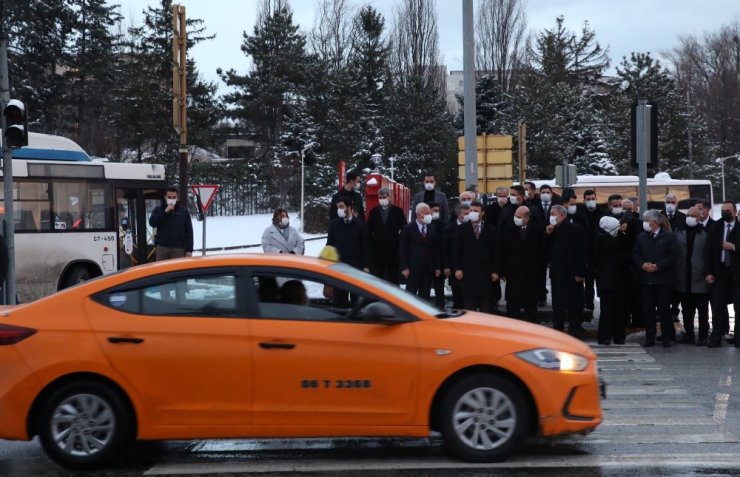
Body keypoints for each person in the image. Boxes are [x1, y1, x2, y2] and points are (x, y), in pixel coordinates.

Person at [633, 209, 680, 347]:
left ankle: (666, 337)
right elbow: (635, 253)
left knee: (664, 310)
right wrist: (642, 265)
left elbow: (674, 255)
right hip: (646, 279)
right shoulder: (641, 236)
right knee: (648, 311)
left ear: (655, 222)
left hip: (663, 279)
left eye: (647, 220)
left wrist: (658, 266)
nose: (645, 223)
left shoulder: (668, 237)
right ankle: (650, 337)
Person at [544, 205, 586, 337]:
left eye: (553, 214)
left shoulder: (575, 229)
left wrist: (580, 273)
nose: (551, 216)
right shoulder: (552, 230)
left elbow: (580, 252)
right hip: (557, 273)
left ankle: (575, 330)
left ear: (562, 215)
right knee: (558, 304)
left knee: (574, 304)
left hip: (572, 273)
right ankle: (558, 329)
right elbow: (545, 250)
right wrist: (547, 234)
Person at [497, 206, 543, 322]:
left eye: (518, 217)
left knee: (531, 304)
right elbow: (503, 252)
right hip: (513, 273)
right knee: (513, 304)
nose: (515, 219)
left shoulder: (537, 230)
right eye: (515, 216)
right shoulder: (509, 229)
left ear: (527, 218)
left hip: (531, 273)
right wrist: (502, 271)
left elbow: (541, 252)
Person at [704, 201, 740, 348]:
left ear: (735, 211)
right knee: (718, 307)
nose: (725, 212)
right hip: (719, 272)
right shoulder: (716, 227)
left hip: (737, 273)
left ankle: (738, 338)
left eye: (728, 210)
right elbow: (707, 252)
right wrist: (708, 272)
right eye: (723, 210)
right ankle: (716, 337)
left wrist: (734, 247)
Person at [454, 202, 499, 313]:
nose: (472, 213)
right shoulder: (462, 229)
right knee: (469, 306)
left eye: (476, 211)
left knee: (485, 307)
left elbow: (496, 252)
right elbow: (456, 251)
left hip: (486, 274)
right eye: (471, 211)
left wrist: (496, 271)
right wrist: (457, 268)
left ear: (482, 213)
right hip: (467, 274)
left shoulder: (491, 230)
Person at [674, 207, 710, 345]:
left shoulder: (706, 233)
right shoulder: (679, 232)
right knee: (687, 311)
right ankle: (689, 335)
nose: (689, 217)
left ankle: (702, 336)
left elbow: (709, 255)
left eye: (693, 215)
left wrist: (707, 272)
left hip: (700, 278)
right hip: (683, 278)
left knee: (702, 311)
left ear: (700, 218)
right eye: (688, 215)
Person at [592, 216, 630, 345]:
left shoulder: (606, 238)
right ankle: (605, 336)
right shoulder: (602, 239)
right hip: (608, 281)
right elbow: (618, 251)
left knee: (618, 309)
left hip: (614, 281)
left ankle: (617, 335)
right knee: (608, 310)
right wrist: (622, 234)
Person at [327, 198, 370, 307]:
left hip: (356, 270)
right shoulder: (334, 225)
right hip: (339, 270)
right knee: (339, 301)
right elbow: (329, 246)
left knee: (357, 302)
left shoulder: (360, 226)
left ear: (349, 208)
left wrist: (366, 266)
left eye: (341, 207)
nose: (339, 210)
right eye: (338, 207)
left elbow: (366, 248)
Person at [400, 203, 441, 300]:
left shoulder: (432, 229)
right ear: (418, 214)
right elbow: (403, 249)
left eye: (429, 213)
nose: (428, 215)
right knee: (410, 295)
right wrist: (404, 267)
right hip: (413, 269)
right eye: (426, 213)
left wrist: (437, 267)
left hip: (428, 269)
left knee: (425, 296)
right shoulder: (408, 228)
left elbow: (436, 249)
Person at [366, 187, 407, 284]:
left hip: (393, 250)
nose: (382, 199)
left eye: (384, 197)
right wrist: (373, 242)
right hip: (378, 250)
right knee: (378, 277)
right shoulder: (373, 212)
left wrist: (398, 240)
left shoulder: (398, 211)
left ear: (389, 197)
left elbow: (404, 228)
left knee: (394, 277)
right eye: (380, 197)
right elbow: (368, 230)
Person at [149, 186, 194, 261]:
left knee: (178, 271)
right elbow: (152, 223)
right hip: (162, 248)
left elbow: (189, 231)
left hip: (178, 249)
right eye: (169, 197)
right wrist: (165, 212)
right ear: (165, 197)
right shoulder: (158, 210)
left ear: (177, 198)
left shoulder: (184, 211)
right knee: (161, 271)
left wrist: (189, 250)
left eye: (174, 197)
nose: (172, 199)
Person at [582, 189, 604, 317]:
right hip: (587, 253)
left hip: (599, 253)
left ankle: (603, 305)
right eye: (588, 199)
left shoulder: (602, 213)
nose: (590, 201)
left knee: (601, 282)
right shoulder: (581, 213)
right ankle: (589, 305)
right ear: (584, 200)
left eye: (592, 199)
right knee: (588, 283)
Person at [444, 203, 470, 309]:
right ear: (459, 215)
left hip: (469, 267)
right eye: (466, 213)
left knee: (468, 298)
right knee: (457, 297)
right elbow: (445, 249)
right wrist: (446, 266)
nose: (469, 215)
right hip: (454, 267)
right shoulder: (449, 229)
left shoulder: (472, 227)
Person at [429, 202, 447, 308]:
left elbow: (443, 247)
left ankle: (441, 309)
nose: (436, 213)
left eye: (438, 211)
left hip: (439, 263)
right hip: (426, 263)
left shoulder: (443, 226)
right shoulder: (424, 224)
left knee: (439, 290)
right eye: (434, 210)